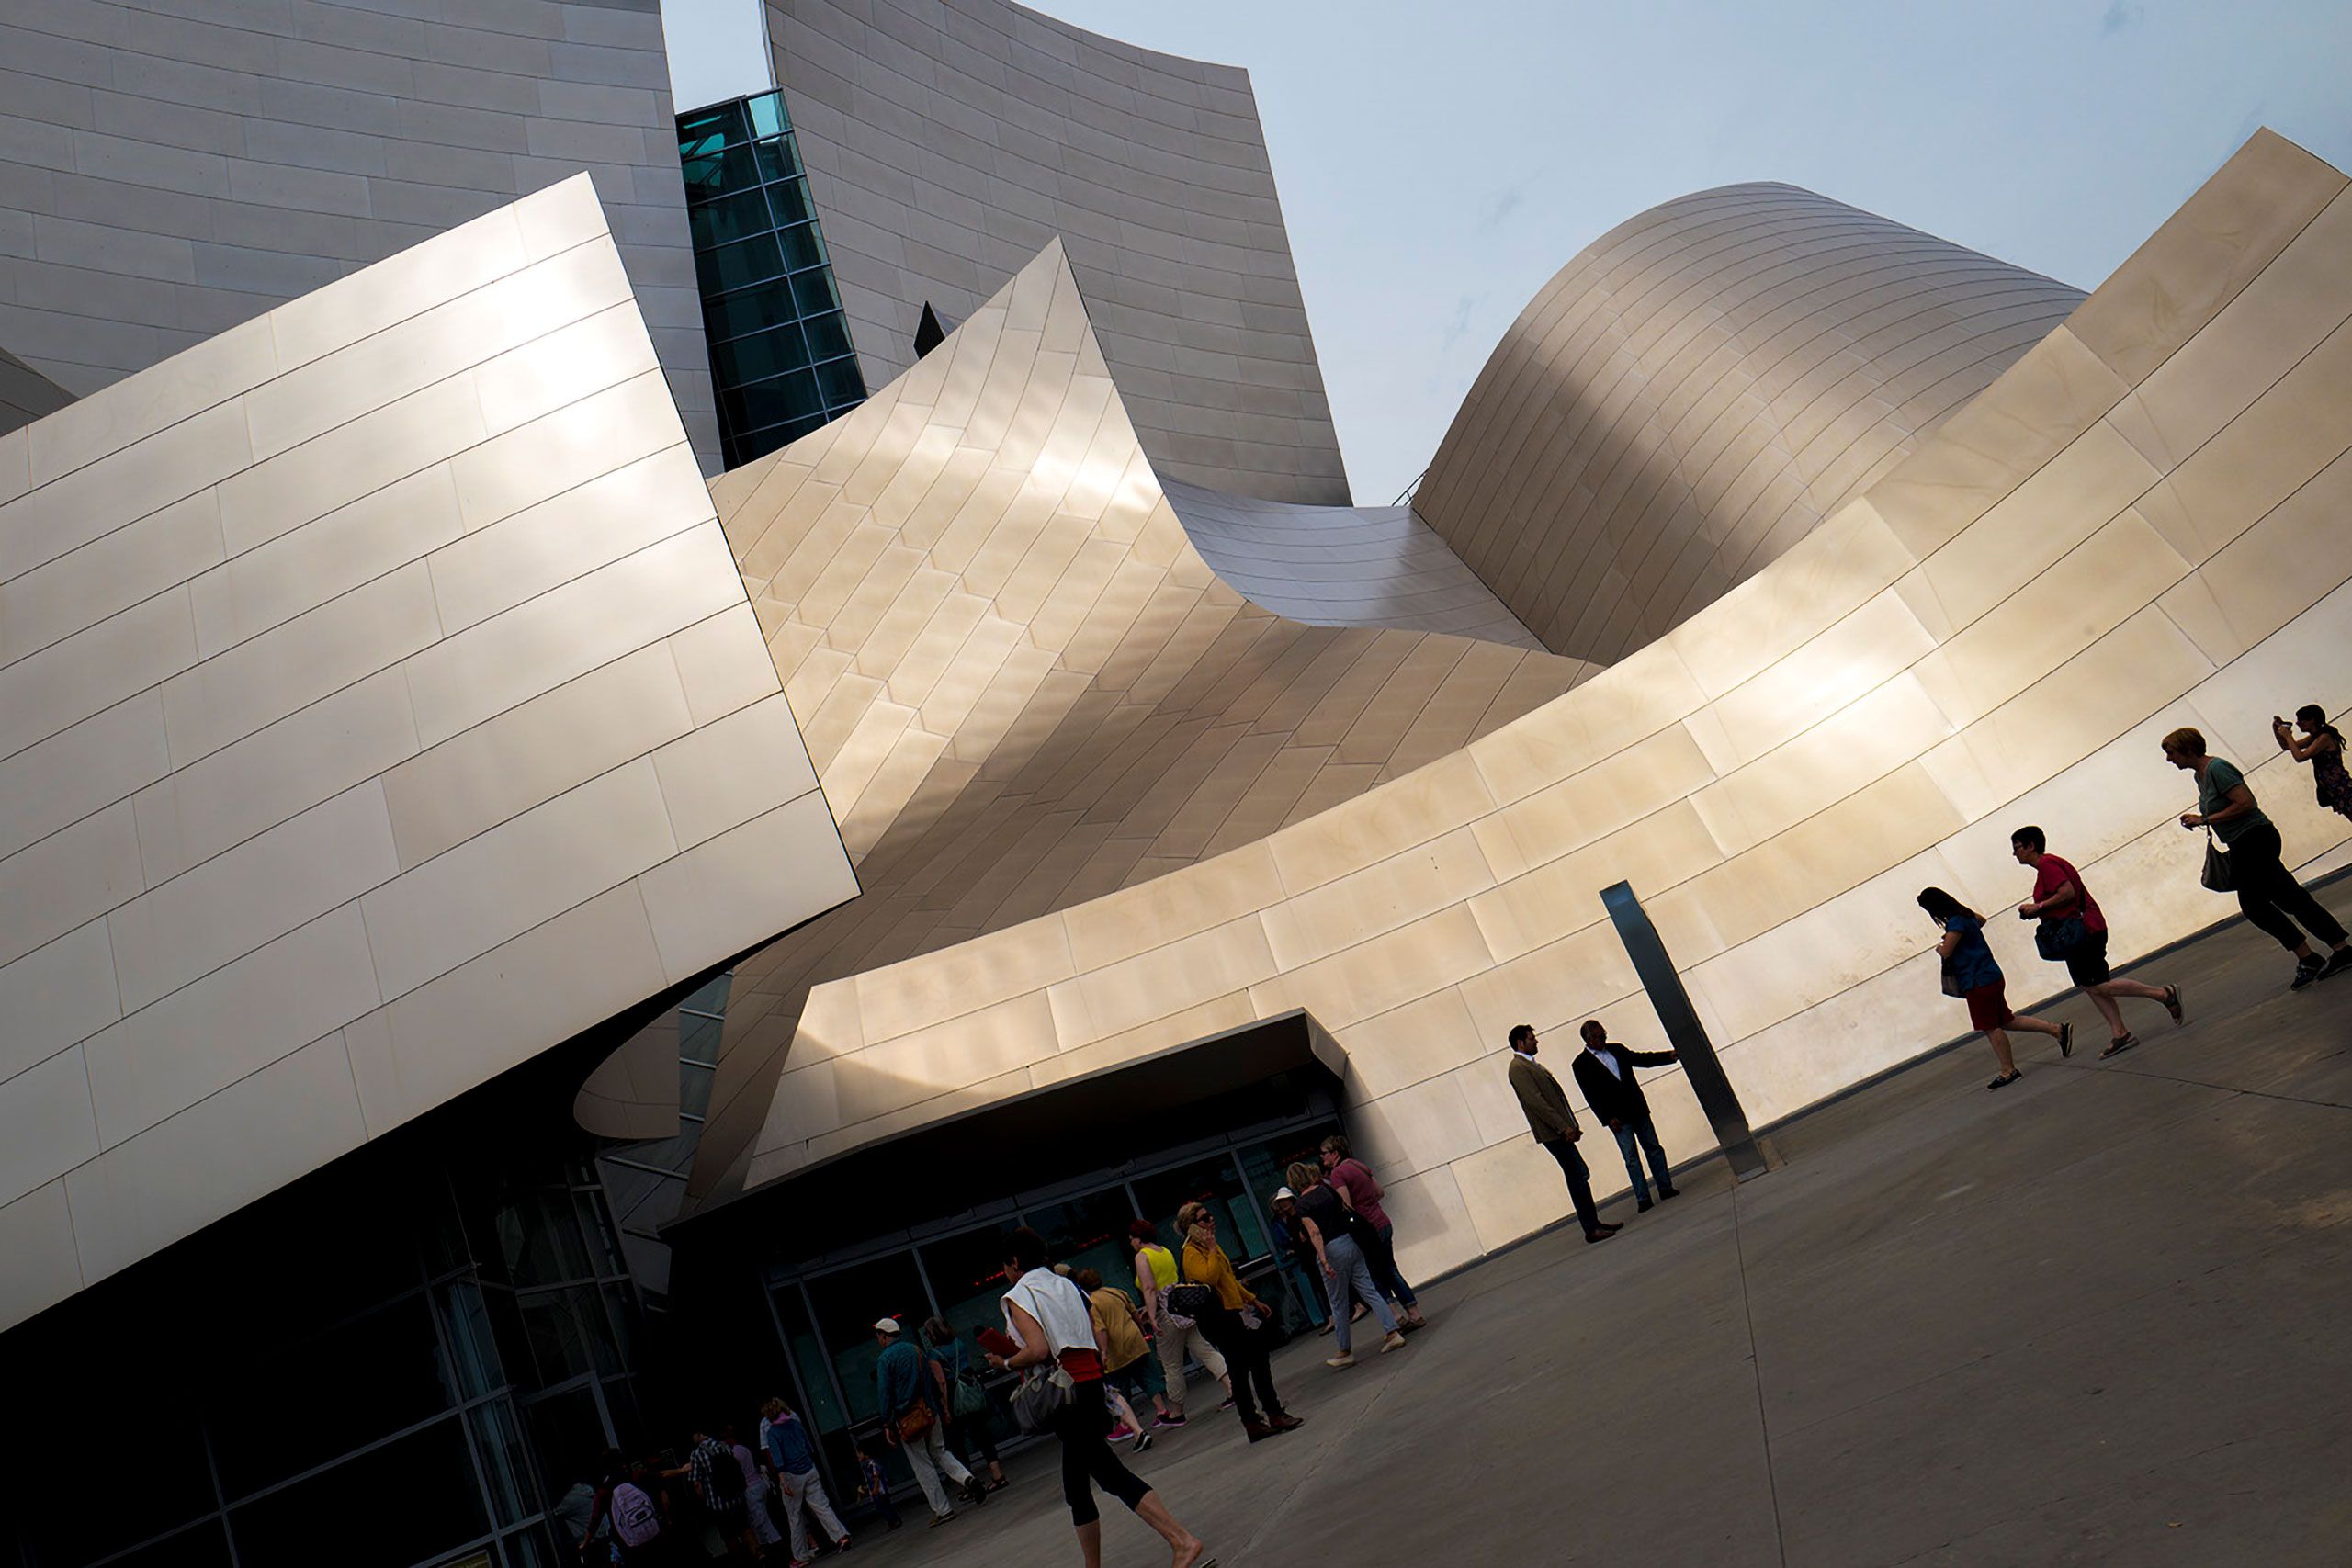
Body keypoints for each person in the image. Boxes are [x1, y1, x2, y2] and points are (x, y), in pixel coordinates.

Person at [984, 1226, 1214, 1568]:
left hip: (1066, 1394)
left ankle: (1182, 1540)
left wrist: (1004, 1360)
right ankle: (1115, 1560)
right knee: (1082, 1485)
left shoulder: (1019, 1295)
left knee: (1108, 1476)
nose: (1005, 1273)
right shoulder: (1068, 1284)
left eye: (1005, 1266)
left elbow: (1038, 1349)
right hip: (1090, 1384)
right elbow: (1090, 1331)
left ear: (1014, 1262)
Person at [2165, 726, 2351, 988]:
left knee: (2259, 905)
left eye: (2172, 753)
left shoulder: (2218, 769)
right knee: (2287, 898)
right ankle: (2334, 949)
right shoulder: (2201, 775)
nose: (2169, 759)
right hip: (2243, 844)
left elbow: (2246, 803)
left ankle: (2316, 955)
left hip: (2255, 839)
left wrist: (2205, 819)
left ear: (2188, 749)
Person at [2010, 825, 2186, 1057]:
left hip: (2084, 930)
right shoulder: (2047, 866)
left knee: (2099, 984)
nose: (2015, 854)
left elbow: (2068, 893)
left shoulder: (2047, 865)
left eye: (2017, 848)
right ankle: (2119, 1032)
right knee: (2091, 985)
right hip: (2076, 933)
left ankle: (2163, 994)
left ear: (2031, 846)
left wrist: (2038, 907)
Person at [1918, 886, 2071, 1088]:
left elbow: (1947, 952)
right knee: (2006, 1020)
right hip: (1991, 975)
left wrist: (1941, 946)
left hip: (1976, 980)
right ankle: (2057, 1030)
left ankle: (2008, 1069)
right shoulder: (1964, 916)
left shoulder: (1955, 922)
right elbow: (1982, 920)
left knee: (1990, 1026)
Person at [1174, 1202, 1301, 1439]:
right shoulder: (1192, 1252)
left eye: (1210, 1215)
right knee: (1243, 1367)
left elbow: (1228, 1280)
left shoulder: (1210, 1246)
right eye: (1204, 1219)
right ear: (1191, 1227)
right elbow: (1209, 1278)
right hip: (1218, 1319)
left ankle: (1264, 1416)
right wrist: (1211, 1249)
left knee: (1252, 1362)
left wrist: (1252, 1300)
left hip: (1231, 1313)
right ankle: (1259, 1418)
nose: (1211, 1221)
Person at [1282, 1165, 1405, 1371]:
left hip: (1331, 1249)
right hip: (1350, 1242)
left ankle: (1344, 1350)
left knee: (1338, 1302)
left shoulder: (1302, 1204)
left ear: (1293, 1182)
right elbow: (1346, 1209)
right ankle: (1393, 1331)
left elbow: (1314, 1233)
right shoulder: (1326, 1190)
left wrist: (1323, 1259)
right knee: (1369, 1290)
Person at [1506, 1024, 1621, 1244]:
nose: (1536, 1041)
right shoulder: (1518, 1068)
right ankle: (1591, 1227)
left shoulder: (1528, 1065)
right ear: (1521, 1043)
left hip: (1559, 1131)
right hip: (1553, 1133)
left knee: (1579, 1173)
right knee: (1577, 1176)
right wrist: (1563, 1127)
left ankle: (1594, 1223)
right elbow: (1537, 1103)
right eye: (1532, 1038)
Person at [872, 1315, 987, 1526]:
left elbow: (884, 1394)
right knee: (940, 1451)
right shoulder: (916, 1350)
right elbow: (932, 1382)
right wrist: (940, 1408)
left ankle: (943, 1510)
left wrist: (886, 1423)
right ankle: (967, 1478)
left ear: (883, 1335)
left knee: (922, 1464)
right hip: (929, 1410)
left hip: (907, 1417)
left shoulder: (885, 1360)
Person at [1569, 1021, 1682, 1212]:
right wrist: (1607, 1118)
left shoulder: (1617, 1049)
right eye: (1600, 1036)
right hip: (1618, 1118)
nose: (1604, 1038)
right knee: (1631, 1157)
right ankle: (1643, 1198)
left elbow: (1642, 1060)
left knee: (1653, 1147)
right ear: (1589, 1040)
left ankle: (1665, 1187)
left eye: (1604, 1034)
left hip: (1637, 1108)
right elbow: (1591, 1095)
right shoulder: (1581, 1065)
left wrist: (1668, 1056)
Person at [1317, 1136, 1427, 1330]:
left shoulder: (1338, 1173)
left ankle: (1395, 1315)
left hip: (1366, 1230)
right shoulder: (1358, 1165)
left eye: (1324, 1152)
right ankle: (1414, 1313)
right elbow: (1379, 1192)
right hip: (1382, 1221)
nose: (1321, 1156)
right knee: (1391, 1270)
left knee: (1373, 1276)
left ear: (1335, 1152)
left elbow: (1346, 1206)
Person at [1128, 1219, 1228, 1422]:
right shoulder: (1164, 1251)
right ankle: (1231, 1385)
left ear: (1138, 1239)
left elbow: (1149, 1288)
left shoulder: (1142, 1257)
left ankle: (1177, 1411)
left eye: (1131, 1239)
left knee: (1171, 1364)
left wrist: (1152, 1315)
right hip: (1180, 1307)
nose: (1130, 1242)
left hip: (1165, 1313)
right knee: (1204, 1349)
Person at [1075, 1268, 1177, 1433]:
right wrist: (1143, 1332)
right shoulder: (1117, 1292)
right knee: (1146, 1377)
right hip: (1135, 1340)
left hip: (1116, 1348)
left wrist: (1104, 1351)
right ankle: (1161, 1411)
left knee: (1118, 1387)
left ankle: (1125, 1424)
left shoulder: (1092, 1303)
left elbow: (1100, 1329)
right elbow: (1135, 1314)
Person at [922, 1316, 1009, 1490]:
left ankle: (969, 1483)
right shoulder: (958, 1344)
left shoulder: (934, 1354)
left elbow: (941, 1382)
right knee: (983, 1434)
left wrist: (945, 1408)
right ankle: (997, 1475)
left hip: (955, 1396)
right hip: (971, 1388)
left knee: (957, 1442)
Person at [761, 1395, 850, 1562]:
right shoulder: (795, 1424)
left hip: (790, 1475)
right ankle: (841, 1535)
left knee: (794, 1516)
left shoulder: (772, 1432)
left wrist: (781, 1479)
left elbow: (778, 1459)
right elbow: (809, 1446)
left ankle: (800, 1556)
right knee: (822, 1506)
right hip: (809, 1468)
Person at [1266, 1187, 1332, 1333]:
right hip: (1301, 1256)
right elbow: (1284, 1239)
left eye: (1283, 1202)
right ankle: (1323, 1316)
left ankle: (1331, 1314)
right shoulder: (1280, 1221)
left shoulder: (1298, 1214)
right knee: (1315, 1287)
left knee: (1322, 1283)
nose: (1281, 1206)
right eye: (1278, 1203)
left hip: (1308, 1252)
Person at [684, 1427, 753, 1561]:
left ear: (698, 1434)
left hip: (717, 1503)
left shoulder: (696, 1454)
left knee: (729, 1536)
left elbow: (696, 1484)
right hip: (735, 1497)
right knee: (745, 1528)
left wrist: (705, 1501)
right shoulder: (724, 1446)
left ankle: (741, 1560)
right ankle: (759, 1554)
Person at [2275, 705, 2352, 823]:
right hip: (2335, 790)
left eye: (2301, 720)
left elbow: (2300, 757)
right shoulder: (2314, 738)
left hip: (2342, 789)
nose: (2298, 723)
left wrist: (2288, 735)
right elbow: (2288, 746)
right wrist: (2277, 730)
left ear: (2312, 720)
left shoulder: (2324, 738)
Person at [724, 1425, 781, 1561]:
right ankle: (772, 1546)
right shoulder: (744, 1449)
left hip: (749, 1487)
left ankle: (775, 1546)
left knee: (760, 1521)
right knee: (762, 1518)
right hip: (758, 1483)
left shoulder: (734, 1454)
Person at [853, 1444, 902, 1531]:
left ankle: (895, 1520)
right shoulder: (865, 1465)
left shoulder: (872, 1463)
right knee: (882, 1507)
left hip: (880, 1490)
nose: (857, 1456)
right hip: (874, 1490)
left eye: (858, 1453)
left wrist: (876, 1488)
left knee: (885, 1506)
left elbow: (876, 1477)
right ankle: (891, 1521)